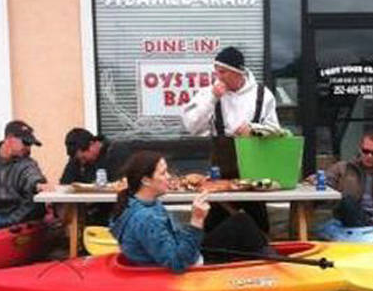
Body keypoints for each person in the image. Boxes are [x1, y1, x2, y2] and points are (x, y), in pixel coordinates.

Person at [109, 151, 269, 273]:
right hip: (188, 263)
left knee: (240, 222)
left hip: (185, 252)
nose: (169, 177)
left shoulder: (138, 203)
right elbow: (177, 263)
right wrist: (196, 221)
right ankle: (276, 269)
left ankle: (267, 261)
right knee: (243, 225)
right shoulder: (146, 218)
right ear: (145, 180)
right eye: (163, 173)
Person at [181, 46, 279, 233]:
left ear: (238, 72)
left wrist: (255, 129)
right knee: (216, 230)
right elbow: (192, 126)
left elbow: (276, 131)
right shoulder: (209, 93)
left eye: (223, 72)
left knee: (257, 230)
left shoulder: (263, 94)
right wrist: (212, 99)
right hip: (220, 175)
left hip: (254, 175)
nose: (218, 76)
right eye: (216, 71)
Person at [59, 127, 130, 225]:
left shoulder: (117, 152)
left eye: (84, 158)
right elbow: (65, 183)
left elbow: (121, 184)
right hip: (88, 213)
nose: (83, 162)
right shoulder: (77, 159)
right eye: (79, 159)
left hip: (113, 213)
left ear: (92, 145)